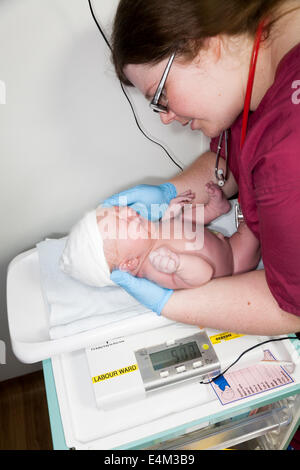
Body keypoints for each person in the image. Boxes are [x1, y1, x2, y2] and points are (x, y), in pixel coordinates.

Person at [103, 0, 300, 335]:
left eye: (160, 95)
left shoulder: (286, 152)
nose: (166, 117)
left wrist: (169, 303)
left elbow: (290, 308)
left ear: (205, 43)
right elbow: (233, 161)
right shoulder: (260, 47)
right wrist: (169, 192)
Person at [60, 182, 260, 290]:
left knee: (182, 221)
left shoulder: (150, 235)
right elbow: (204, 275)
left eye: (120, 211)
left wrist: (170, 214)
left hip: (211, 237)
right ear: (129, 263)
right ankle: (251, 219)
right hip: (233, 261)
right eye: (123, 222)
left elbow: (177, 227)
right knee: (254, 226)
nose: (129, 212)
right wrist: (179, 264)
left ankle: (215, 209)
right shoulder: (156, 267)